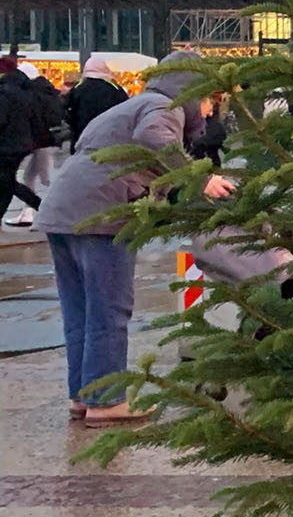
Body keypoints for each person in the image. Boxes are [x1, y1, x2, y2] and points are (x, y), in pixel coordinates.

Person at [37, 54, 230, 425]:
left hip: (63, 211)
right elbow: (151, 139)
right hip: (102, 214)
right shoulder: (163, 106)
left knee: (81, 310)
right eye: (208, 100)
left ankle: (84, 396)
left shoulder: (135, 103)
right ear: (190, 90)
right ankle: (107, 402)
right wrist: (200, 179)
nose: (207, 112)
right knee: (110, 308)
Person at [9, 61, 66, 226]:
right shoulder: (47, 90)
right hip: (46, 140)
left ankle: (40, 211)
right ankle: (32, 212)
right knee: (37, 176)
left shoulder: (33, 92)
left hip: (38, 140)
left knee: (40, 177)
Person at [0, 56, 46, 227]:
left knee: (7, 181)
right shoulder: (25, 90)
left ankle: (42, 206)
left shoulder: (4, 92)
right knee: (7, 181)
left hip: (6, 145)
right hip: (22, 143)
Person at [64, 55, 127, 147]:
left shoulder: (78, 88)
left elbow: (68, 111)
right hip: (109, 136)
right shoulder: (114, 88)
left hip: (82, 135)